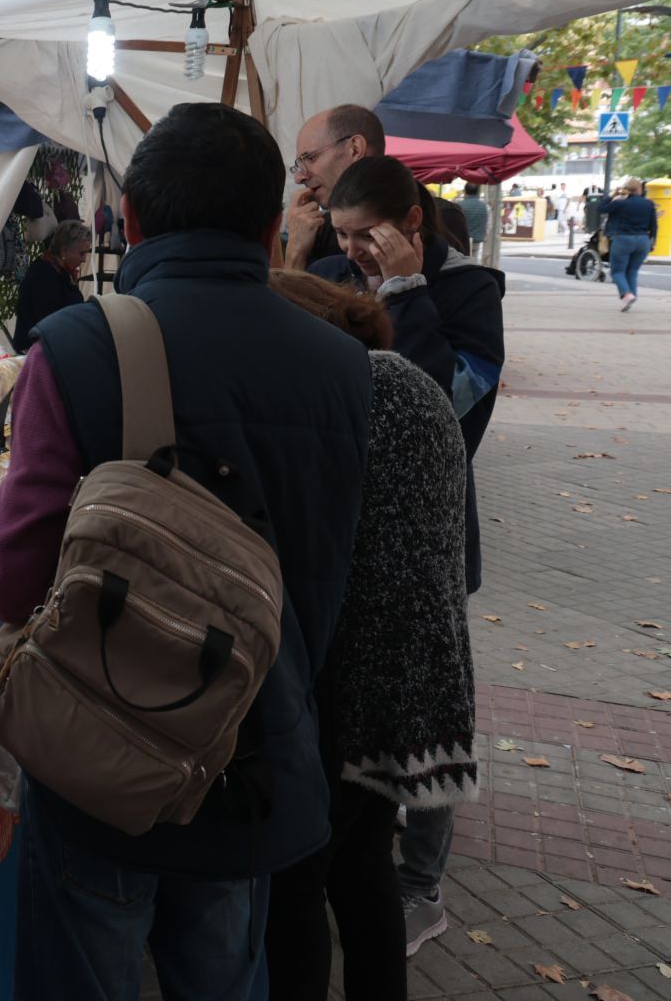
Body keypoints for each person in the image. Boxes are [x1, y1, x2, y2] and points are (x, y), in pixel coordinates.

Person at [0, 102, 373, 1001]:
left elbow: (10, 579)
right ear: (274, 226)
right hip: (257, 750)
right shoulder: (347, 364)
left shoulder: (78, 347)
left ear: (136, 223)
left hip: (103, 764)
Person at [261, 272, 480, 1001]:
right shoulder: (410, 383)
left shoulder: (346, 393)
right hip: (419, 677)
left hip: (353, 679)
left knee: (297, 878)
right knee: (362, 869)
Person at [307, 155, 504, 954]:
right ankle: (356, 852)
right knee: (345, 712)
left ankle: (421, 885)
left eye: (365, 236)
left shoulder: (468, 292)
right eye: (341, 234)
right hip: (337, 533)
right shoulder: (327, 272)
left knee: (424, 715)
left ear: (410, 224)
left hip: (426, 539)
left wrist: (406, 294)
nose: (350, 250)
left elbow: (451, 404)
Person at [281, 103, 387, 270]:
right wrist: (297, 248)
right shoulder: (319, 230)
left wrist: (295, 254)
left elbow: (291, 297)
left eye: (310, 158)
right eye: (343, 234)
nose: (299, 177)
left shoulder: (431, 220)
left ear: (355, 149)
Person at [13, 219, 92, 346]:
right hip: (37, 349)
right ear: (64, 251)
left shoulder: (61, 270)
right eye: (81, 254)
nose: (84, 260)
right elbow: (48, 322)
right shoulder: (44, 274)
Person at [600, 178, 659, 311]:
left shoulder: (620, 203)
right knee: (632, 271)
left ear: (626, 189)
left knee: (617, 272)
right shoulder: (649, 204)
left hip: (623, 239)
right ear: (640, 189)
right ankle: (631, 296)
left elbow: (601, 208)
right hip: (643, 240)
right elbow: (654, 226)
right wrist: (653, 241)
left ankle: (627, 295)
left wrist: (612, 195)